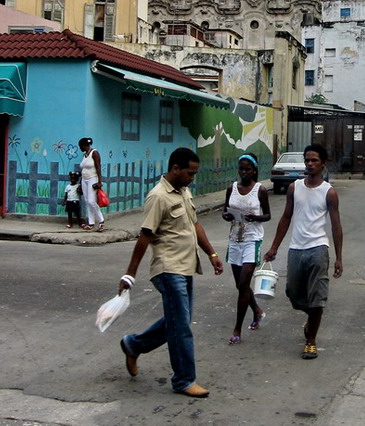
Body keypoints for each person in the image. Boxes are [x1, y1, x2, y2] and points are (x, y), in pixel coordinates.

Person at [118, 147, 224, 398]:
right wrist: (129, 275)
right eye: (190, 173)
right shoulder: (158, 197)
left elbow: (195, 224)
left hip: (186, 266)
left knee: (179, 322)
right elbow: (145, 236)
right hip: (168, 268)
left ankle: (133, 345)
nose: (192, 178)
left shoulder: (184, 191)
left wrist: (212, 254)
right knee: (182, 328)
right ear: (175, 169)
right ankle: (184, 380)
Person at [263, 144, 343, 360]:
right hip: (296, 249)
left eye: (315, 160)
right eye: (307, 160)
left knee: (317, 296)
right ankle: (313, 316)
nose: (310, 164)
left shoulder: (329, 192)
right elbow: (286, 218)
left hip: (318, 248)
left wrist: (338, 258)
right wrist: (274, 247)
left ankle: (311, 340)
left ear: (323, 164)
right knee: (293, 292)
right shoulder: (294, 188)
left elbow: (336, 226)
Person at [222, 153, 271, 345]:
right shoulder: (231, 189)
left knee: (244, 282)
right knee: (240, 285)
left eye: (247, 169)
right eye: (241, 169)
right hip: (235, 239)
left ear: (254, 170)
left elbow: (267, 215)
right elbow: (225, 210)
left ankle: (237, 329)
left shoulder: (260, 190)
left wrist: (255, 218)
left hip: (252, 239)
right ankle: (257, 310)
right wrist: (227, 216)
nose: (244, 172)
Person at [78, 137, 104, 231]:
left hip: (93, 179)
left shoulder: (94, 153)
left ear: (84, 145)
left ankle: (101, 221)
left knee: (91, 201)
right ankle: (91, 223)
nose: (80, 148)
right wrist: (80, 184)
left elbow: (98, 167)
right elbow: (84, 169)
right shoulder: (85, 155)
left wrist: (99, 181)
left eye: (80, 146)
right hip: (84, 180)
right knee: (86, 201)